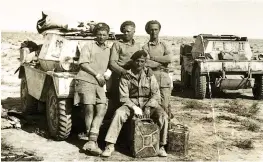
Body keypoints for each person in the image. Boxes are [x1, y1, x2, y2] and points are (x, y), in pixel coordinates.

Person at [101, 50, 169, 157]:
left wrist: (148, 106)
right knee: (119, 114)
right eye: (137, 61)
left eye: (142, 61)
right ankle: (109, 145)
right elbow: (123, 97)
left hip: (148, 104)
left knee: (163, 116)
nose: (139, 64)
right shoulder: (126, 76)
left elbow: (156, 93)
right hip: (131, 104)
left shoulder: (149, 75)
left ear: (145, 62)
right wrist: (134, 108)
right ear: (133, 61)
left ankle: (161, 146)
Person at [74, 23, 111, 156]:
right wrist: (97, 74)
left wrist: (108, 73)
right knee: (89, 109)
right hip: (86, 79)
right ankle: (92, 142)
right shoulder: (88, 46)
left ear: (108, 35)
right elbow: (83, 64)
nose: (101, 37)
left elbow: (111, 64)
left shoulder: (108, 49)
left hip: (100, 82)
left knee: (101, 109)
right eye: (99, 34)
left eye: (104, 34)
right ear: (96, 35)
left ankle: (91, 140)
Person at [142, 20, 173, 118]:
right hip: (151, 78)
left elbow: (169, 58)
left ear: (159, 30)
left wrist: (153, 58)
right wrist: (161, 62)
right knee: (152, 104)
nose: (154, 32)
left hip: (164, 78)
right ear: (147, 31)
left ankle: (167, 128)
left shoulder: (164, 45)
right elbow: (146, 62)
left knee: (165, 105)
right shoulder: (145, 47)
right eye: (151, 30)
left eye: (156, 29)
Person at [108, 21, 141, 108]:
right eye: (124, 31)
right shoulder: (117, 44)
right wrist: (123, 72)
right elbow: (112, 63)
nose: (126, 33)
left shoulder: (137, 46)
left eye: (128, 31)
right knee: (119, 100)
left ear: (134, 31)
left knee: (134, 99)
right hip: (119, 75)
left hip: (134, 76)